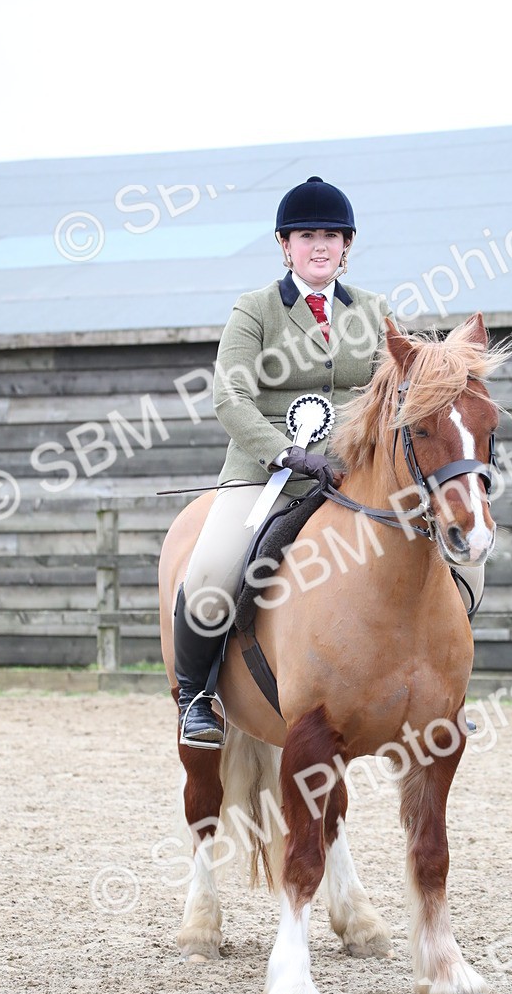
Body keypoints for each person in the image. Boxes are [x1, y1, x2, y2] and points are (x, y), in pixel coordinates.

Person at [172, 176, 484, 748]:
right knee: (212, 572)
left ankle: (443, 687)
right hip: (268, 472)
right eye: (307, 235)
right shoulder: (256, 310)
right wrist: (282, 451)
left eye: (332, 236)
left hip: (351, 472)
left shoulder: (372, 310)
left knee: (465, 562)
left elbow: (395, 391)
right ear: (284, 244)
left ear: (348, 245)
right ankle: (198, 697)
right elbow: (229, 397)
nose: (320, 245)